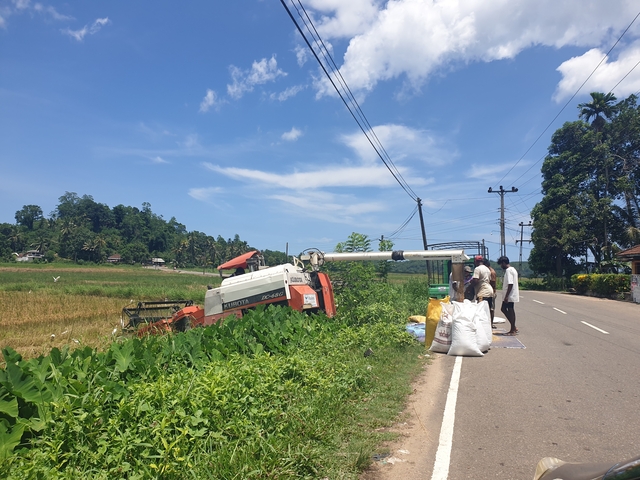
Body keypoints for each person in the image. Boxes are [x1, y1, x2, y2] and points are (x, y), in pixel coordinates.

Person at [498, 255, 519, 335]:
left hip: (509, 295)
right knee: (507, 309)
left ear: (504, 263)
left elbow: (510, 283)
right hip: (511, 294)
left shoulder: (508, 270)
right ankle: (514, 327)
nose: (501, 266)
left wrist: (506, 296)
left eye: (501, 264)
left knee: (508, 310)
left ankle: (513, 329)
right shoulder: (513, 269)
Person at [483, 257, 497, 327]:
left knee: (491, 308)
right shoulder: (487, 271)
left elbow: (493, 282)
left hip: (491, 293)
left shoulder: (491, 272)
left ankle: (491, 323)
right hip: (489, 292)